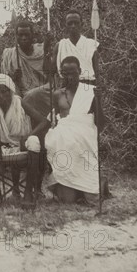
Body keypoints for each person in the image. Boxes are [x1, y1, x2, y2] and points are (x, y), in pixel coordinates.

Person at [0, 73, 50, 208]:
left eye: (4, 92)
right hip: (2, 149)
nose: (1, 97)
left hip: (23, 146)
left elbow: (44, 121)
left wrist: (27, 137)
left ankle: (28, 194)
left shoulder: (19, 102)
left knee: (34, 140)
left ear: (10, 90)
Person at [45, 56, 104, 203]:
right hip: (65, 145)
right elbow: (56, 121)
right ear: (61, 74)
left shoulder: (90, 92)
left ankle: (99, 184)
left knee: (92, 197)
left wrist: (99, 101)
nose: (69, 77)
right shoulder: (57, 94)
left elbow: (100, 124)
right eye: (65, 73)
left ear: (80, 71)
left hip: (85, 139)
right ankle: (69, 186)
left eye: (73, 73)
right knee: (67, 200)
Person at [1, 20, 46, 97]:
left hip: (40, 96)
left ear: (32, 35)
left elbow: (50, 76)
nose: (24, 38)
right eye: (20, 35)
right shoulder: (9, 54)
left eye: (27, 35)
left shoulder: (41, 51)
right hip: (20, 98)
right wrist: (13, 78)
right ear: (16, 36)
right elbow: (4, 82)